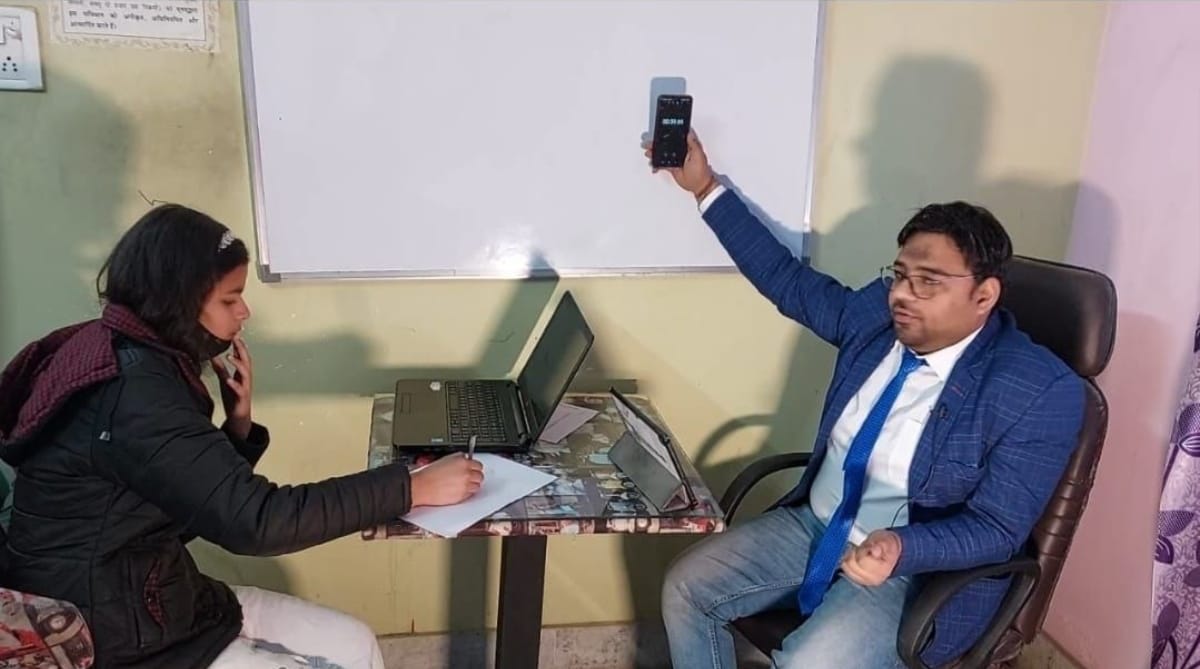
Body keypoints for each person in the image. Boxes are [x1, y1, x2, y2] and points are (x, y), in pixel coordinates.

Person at [648, 132, 1084, 668]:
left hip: (917, 570)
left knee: (807, 663)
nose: (901, 293)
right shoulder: (876, 317)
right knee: (687, 587)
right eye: (900, 275)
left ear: (984, 295)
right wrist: (704, 188)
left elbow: (996, 528)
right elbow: (787, 281)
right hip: (818, 523)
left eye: (927, 282)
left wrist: (901, 547)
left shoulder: (1039, 390)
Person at [0, 204, 485, 669]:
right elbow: (258, 522)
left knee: (351, 642)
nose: (245, 311)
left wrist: (238, 424)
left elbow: (180, 504)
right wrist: (411, 486)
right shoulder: (134, 393)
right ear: (178, 303)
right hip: (114, 638)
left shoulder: (131, 353)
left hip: (156, 599)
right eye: (229, 299)